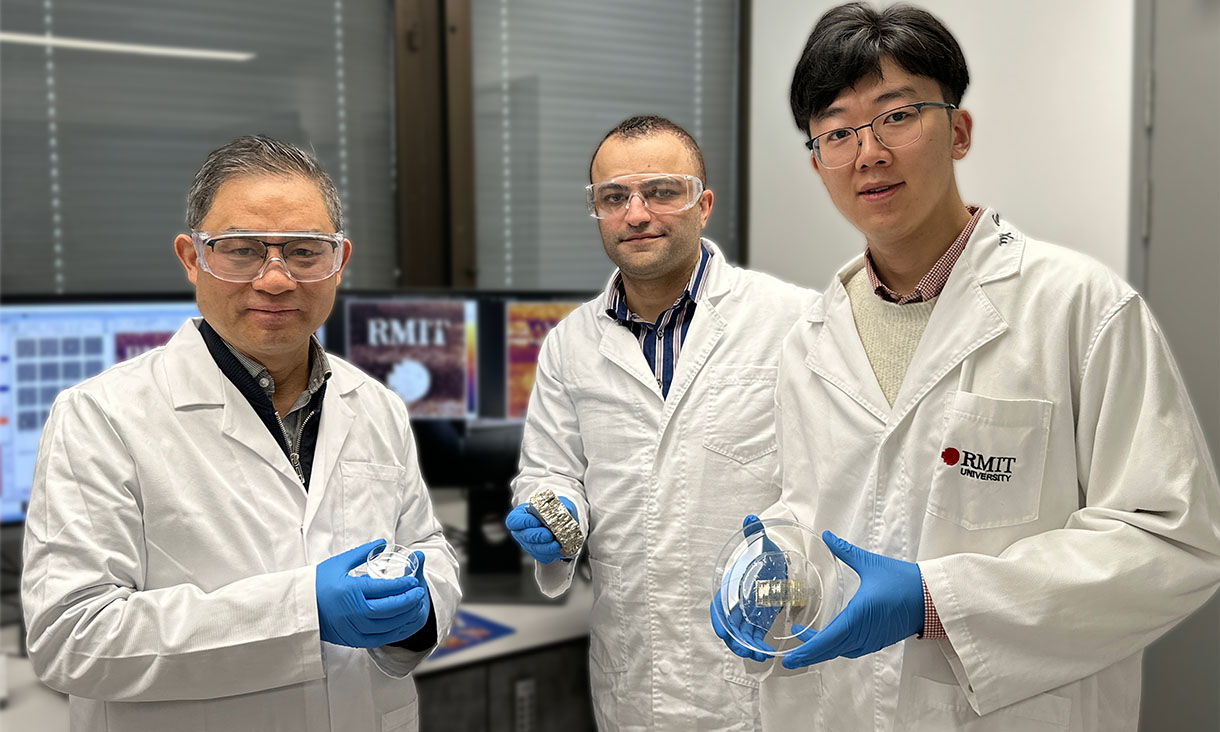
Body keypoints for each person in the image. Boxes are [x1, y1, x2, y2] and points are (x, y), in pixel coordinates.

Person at [712, 4, 1220, 731]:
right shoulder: (810, 337)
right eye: (837, 130)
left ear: (959, 130)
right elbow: (819, 509)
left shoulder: (1080, 308)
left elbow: (1171, 540)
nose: (869, 152)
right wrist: (772, 569)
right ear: (817, 159)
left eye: (897, 115)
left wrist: (936, 600)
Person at [22, 135, 461, 732]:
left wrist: (422, 608)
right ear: (191, 257)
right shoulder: (101, 416)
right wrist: (303, 613)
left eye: (305, 251)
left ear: (339, 261)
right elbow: (71, 638)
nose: (276, 280)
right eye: (241, 251)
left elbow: (425, 547)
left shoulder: (376, 404)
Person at [504, 115, 815, 731]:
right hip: (635, 674)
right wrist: (552, 512)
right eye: (613, 197)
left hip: (766, 658)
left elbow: (841, 477)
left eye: (661, 191)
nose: (636, 213)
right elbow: (551, 472)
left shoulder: (795, 322)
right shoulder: (570, 345)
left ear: (704, 203)